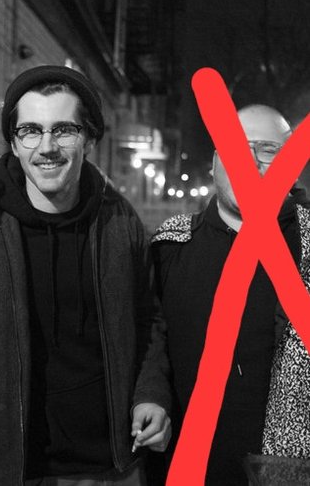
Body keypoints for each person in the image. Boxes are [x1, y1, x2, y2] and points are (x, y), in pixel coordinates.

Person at [0, 65, 172, 485]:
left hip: (112, 464)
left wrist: (151, 393)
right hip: (10, 470)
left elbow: (149, 319)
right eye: (30, 131)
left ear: (89, 139)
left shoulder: (120, 221)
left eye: (64, 130)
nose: (47, 146)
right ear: (14, 143)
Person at [150, 104, 310, 485]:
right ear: (214, 163)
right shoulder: (170, 247)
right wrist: (150, 396)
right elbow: (148, 343)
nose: (249, 162)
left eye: (268, 150)